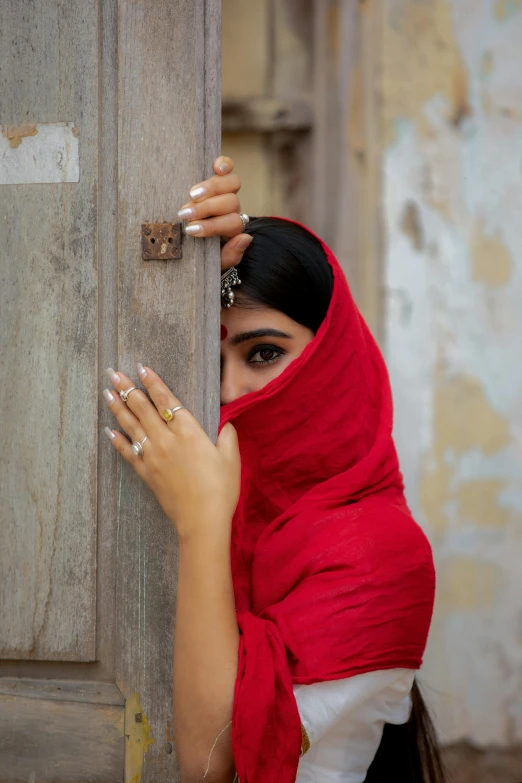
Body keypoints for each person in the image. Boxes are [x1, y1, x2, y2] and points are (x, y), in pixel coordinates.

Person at [102, 157, 445, 783]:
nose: (230, 395)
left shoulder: (383, 555)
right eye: (209, 364)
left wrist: (203, 525)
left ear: (332, 362)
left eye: (264, 353)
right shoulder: (180, 489)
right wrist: (184, 222)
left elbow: (213, 765)